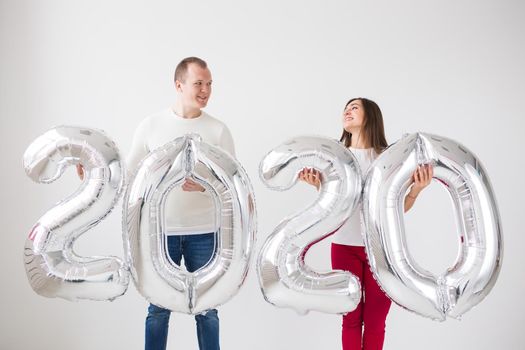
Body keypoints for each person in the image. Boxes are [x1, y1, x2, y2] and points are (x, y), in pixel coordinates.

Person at [79, 57, 234, 350]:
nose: (206, 90)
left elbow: (233, 184)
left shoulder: (218, 130)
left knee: (207, 309)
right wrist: (93, 167)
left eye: (209, 84)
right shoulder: (152, 125)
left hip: (205, 232)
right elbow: (129, 173)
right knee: (158, 310)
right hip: (160, 234)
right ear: (179, 85)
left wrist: (206, 186)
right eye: (198, 83)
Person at [298, 97, 433, 350]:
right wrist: (319, 185)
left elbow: (396, 207)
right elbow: (337, 203)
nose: (347, 111)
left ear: (370, 116)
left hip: (381, 252)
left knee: (375, 322)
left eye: (354, 107)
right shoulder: (336, 157)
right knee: (350, 319)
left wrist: (416, 190)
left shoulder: (389, 158)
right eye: (345, 108)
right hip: (344, 247)